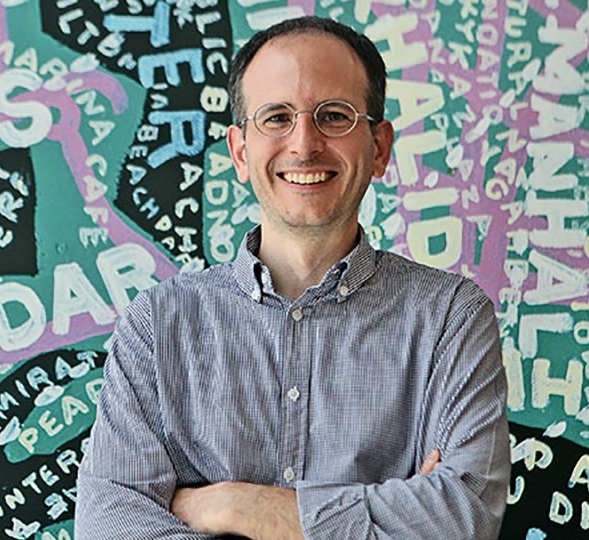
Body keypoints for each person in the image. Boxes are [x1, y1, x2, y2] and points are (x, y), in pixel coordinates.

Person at [75, 16, 511, 540]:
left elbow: (465, 517)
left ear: (379, 148)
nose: (304, 144)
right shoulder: (157, 326)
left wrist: (240, 506)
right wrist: (394, 514)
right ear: (240, 152)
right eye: (277, 117)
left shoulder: (450, 318)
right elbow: (108, 526)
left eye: (334, 116)